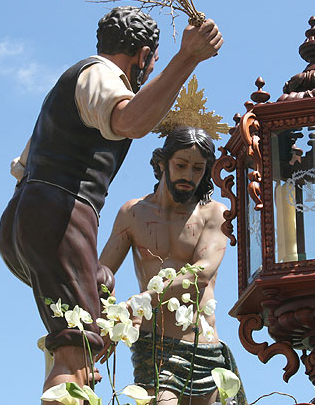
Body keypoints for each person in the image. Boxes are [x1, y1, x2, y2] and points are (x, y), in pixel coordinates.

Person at [0, 7, 223, 403]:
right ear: (144, 55)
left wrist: (97, 279)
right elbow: (130, 121)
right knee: (75, 350)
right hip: (61, 213)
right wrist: (188, 56)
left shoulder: (65, 90)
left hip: (26, 219)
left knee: (87, 325)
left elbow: (23, 168)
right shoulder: (99, 74)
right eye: (151, 64)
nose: (148, 75)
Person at [99, 127, 246, 405]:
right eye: (181, 165)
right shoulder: (133, 214)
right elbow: (101, 276)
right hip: (153, 344)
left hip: (201, 343)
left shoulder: (214, 214)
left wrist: (143, 300)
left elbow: (201, 273)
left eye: (198, 169)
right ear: (161, 163)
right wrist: (105, 323)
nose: (188, 176)